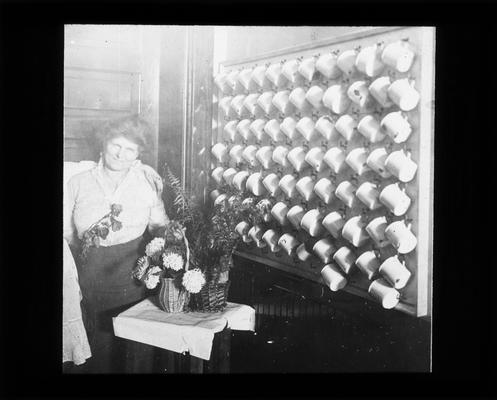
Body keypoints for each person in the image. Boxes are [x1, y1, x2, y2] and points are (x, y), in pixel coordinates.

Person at [64, 115, 169, 373]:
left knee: (133, 352)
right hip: (87, 280)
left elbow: (160, 225)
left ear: (137, 155)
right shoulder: (76, 181)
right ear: (104, 144)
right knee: (94, 352)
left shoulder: (146, 182)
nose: (121, 155)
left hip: (133, 280)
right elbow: (67, 234)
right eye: (116, 145)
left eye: (130, 149)